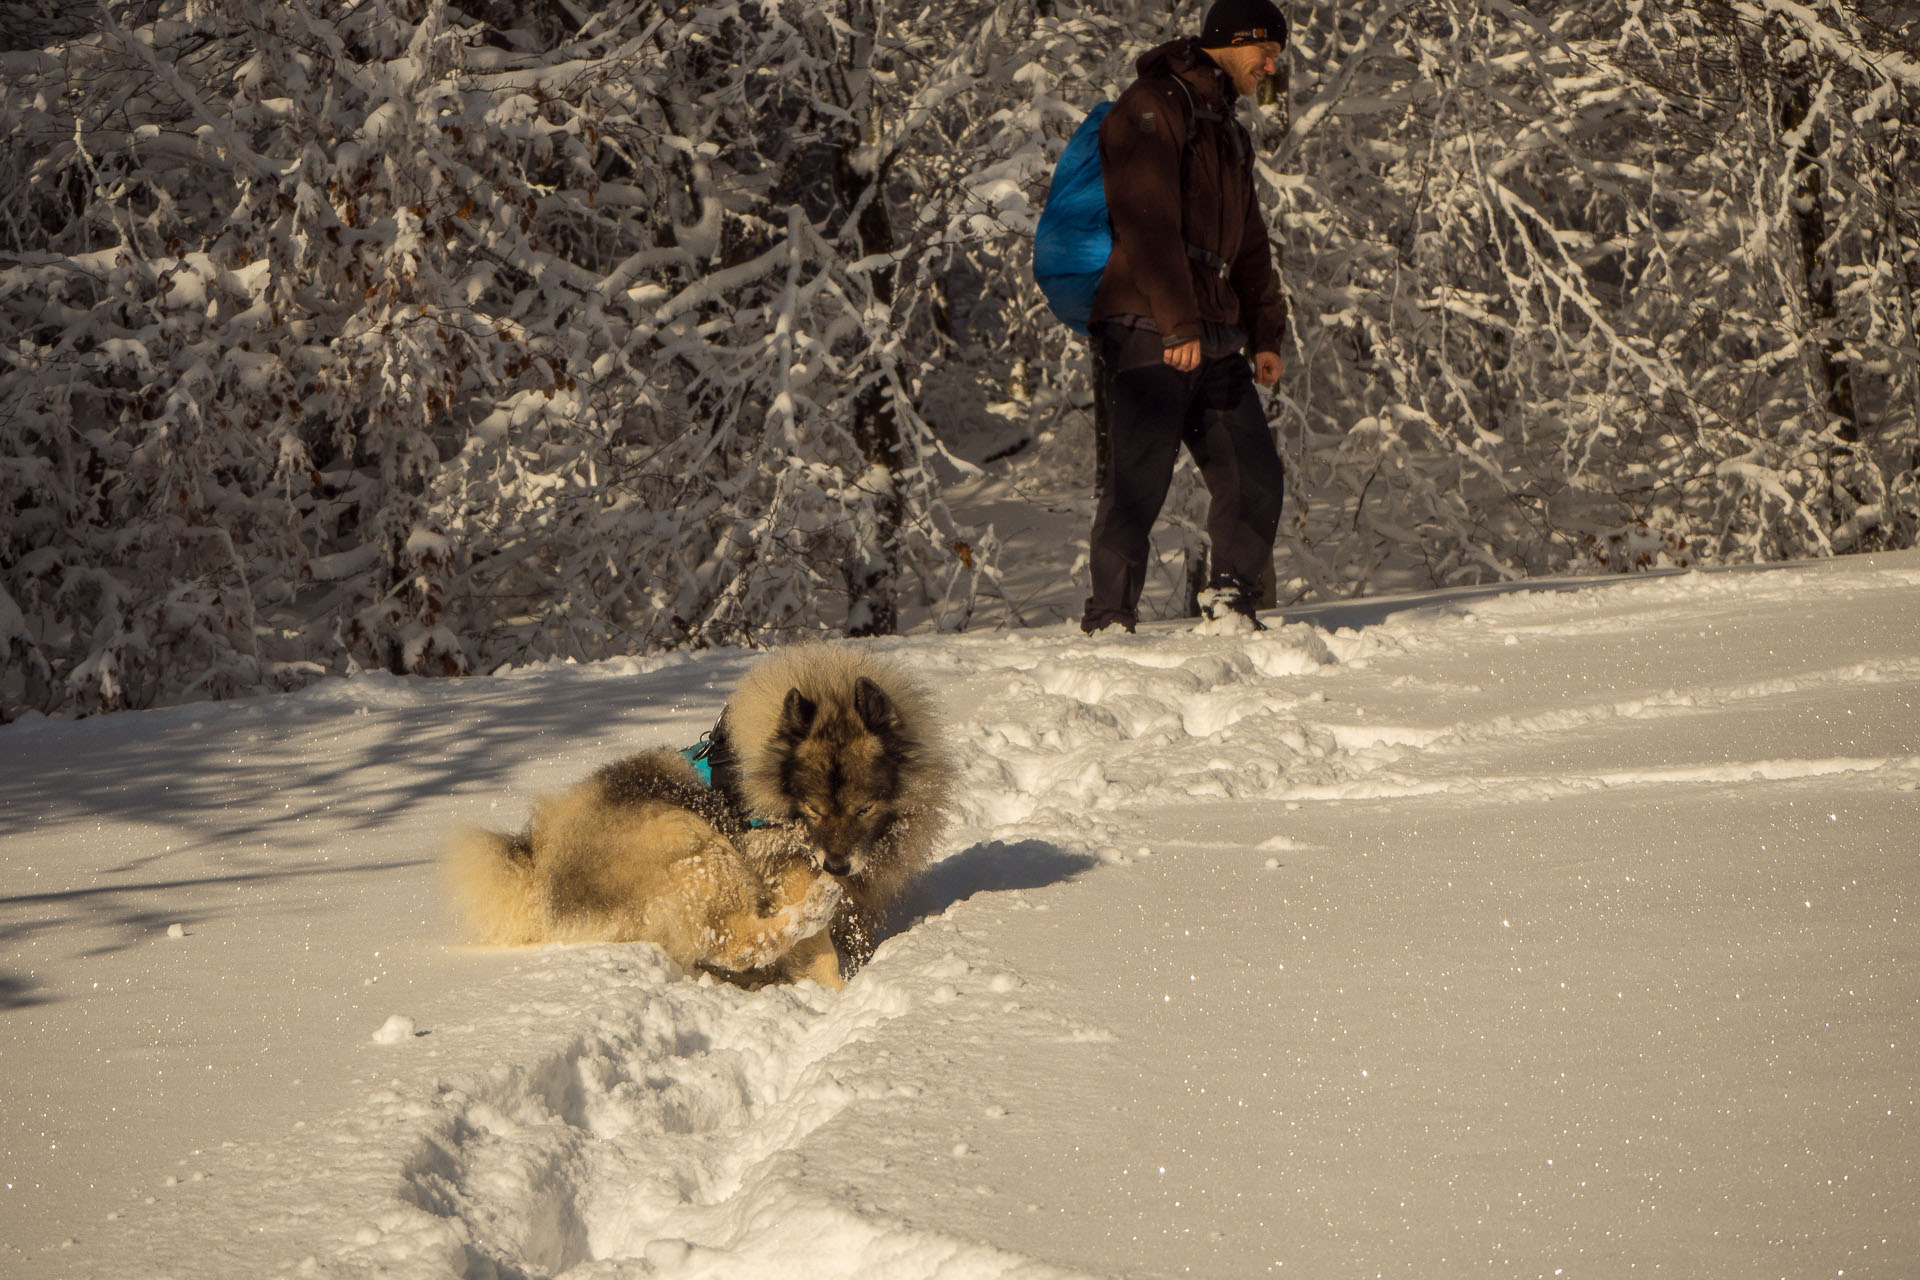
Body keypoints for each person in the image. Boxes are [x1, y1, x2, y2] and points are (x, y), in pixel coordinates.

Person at [1080, 0, 1289, 635]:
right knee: (1138, 480)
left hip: (1217, 331)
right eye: (1266, 50)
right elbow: (1145, 226)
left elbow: (1249, 244)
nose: (1273, 66)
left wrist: (1265, 334)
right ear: (1231, 41)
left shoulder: (1226, 127)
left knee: (1254, 471)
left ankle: (1229, 602)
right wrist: (1177, 325)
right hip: (1151, 324)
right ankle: (1110, 618)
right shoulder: (1152, 106)